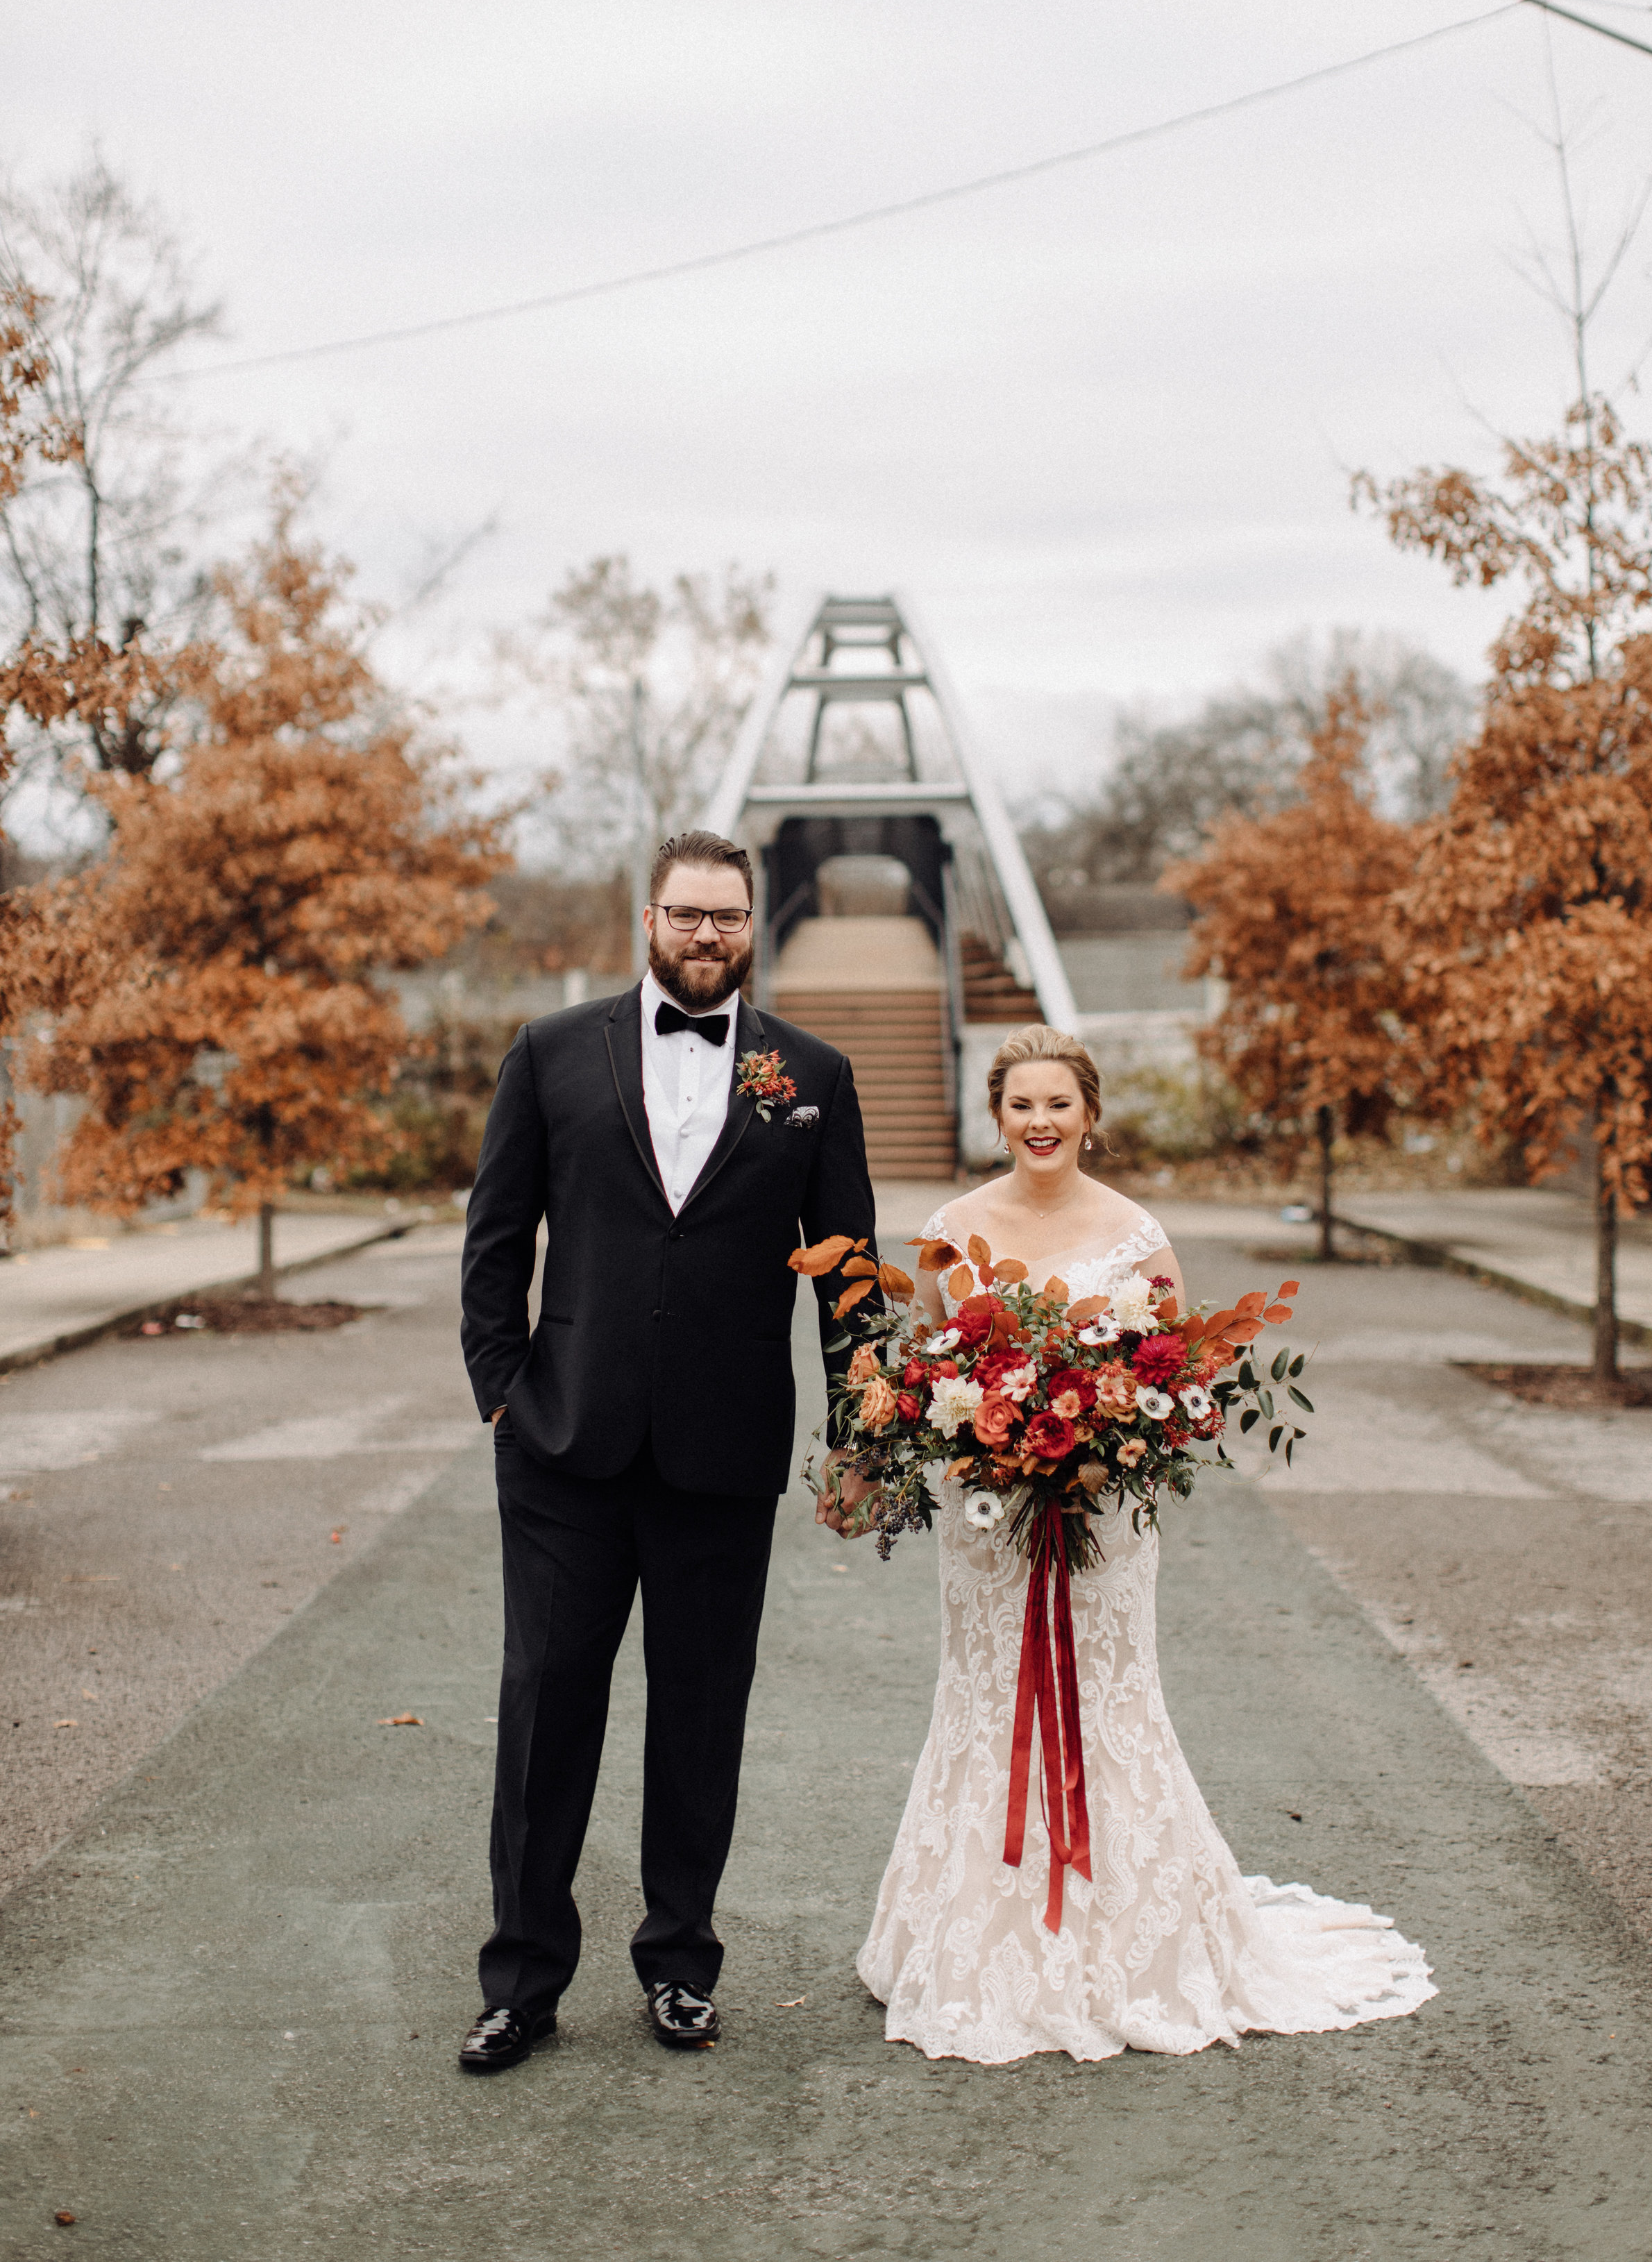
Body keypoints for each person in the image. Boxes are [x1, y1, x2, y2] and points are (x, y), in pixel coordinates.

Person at [838, 1024, 1435, 2064]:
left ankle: (1129, 1940)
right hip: (988, 1525)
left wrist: (1111, 1440)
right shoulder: (950, 1230)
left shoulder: (1135, 1234)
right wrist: (953, 1431)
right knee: (986, 1694)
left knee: (1108, 1695)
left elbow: (1177, 1383)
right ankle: (972, 1935)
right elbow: (926, 1370)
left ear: (1091, 1114)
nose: (1040, 1122)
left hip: (1105, 1518)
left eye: (1059, 1104)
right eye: (1021, 1104)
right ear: (998, 1114)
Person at [457, 829, 875, 2071]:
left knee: (701, 1716)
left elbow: (848, 1274)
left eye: (729, 919)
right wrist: (499, 1389)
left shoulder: (813, 1073)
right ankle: (523, 1981)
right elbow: (497, 1235)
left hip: (723, 1453)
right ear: (649, 916)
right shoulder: (550, 1050)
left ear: (754, 928)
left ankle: (680, 1963)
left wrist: (861, 1430)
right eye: (688, 914)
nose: (708, 936)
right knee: (545, 1713)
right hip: (564, 1448)